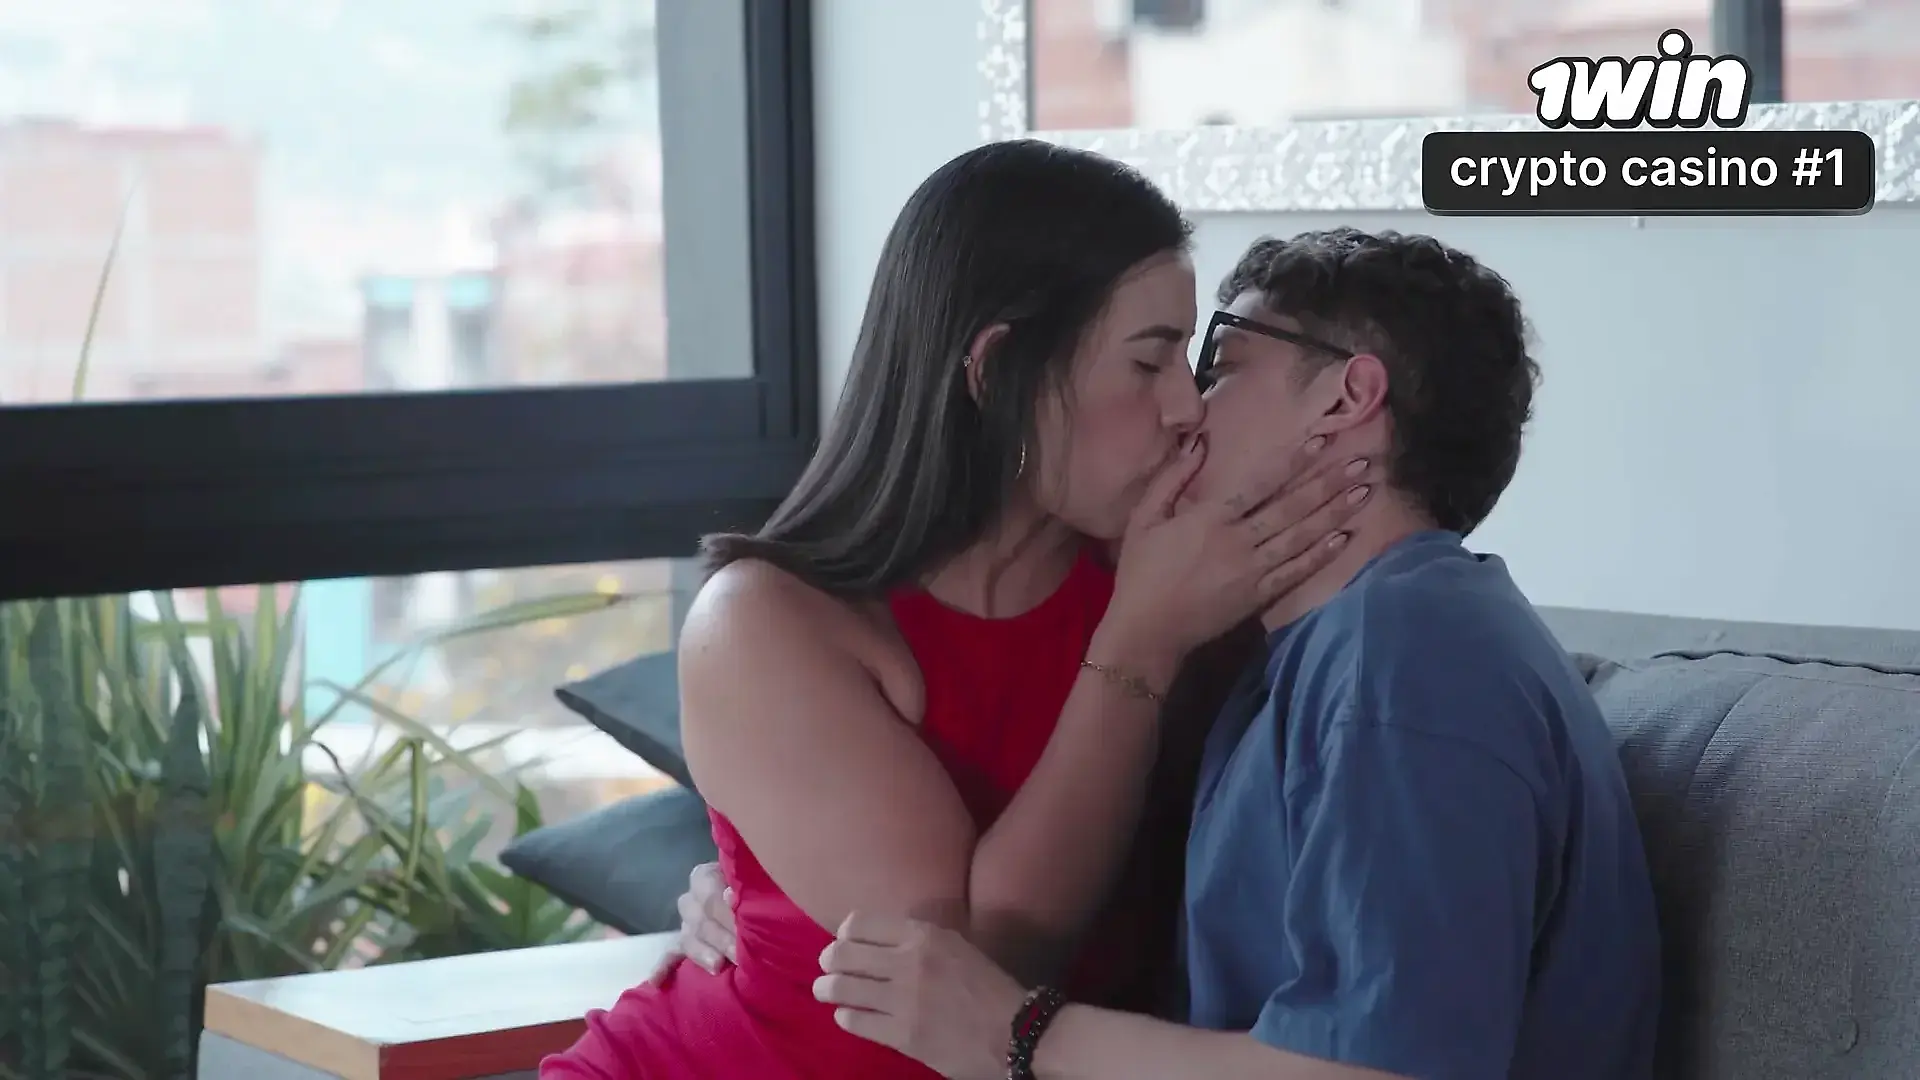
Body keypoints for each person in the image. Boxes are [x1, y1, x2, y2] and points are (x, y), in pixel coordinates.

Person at [696, 227, 1663, 1078]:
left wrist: (1018, 1036)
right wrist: (753, 890)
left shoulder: (1407, 656)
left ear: (1346, 397)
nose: (1188, 411)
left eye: (1219, 366)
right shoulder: (1301, 656)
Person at [539, 142, 1382, 1080]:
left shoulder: (1179, 578)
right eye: (1148, 362)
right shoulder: (769, 620)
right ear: (997, 367)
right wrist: (1138, 648)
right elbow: (966, 976)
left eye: (1189, 359)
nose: (1187, 406)